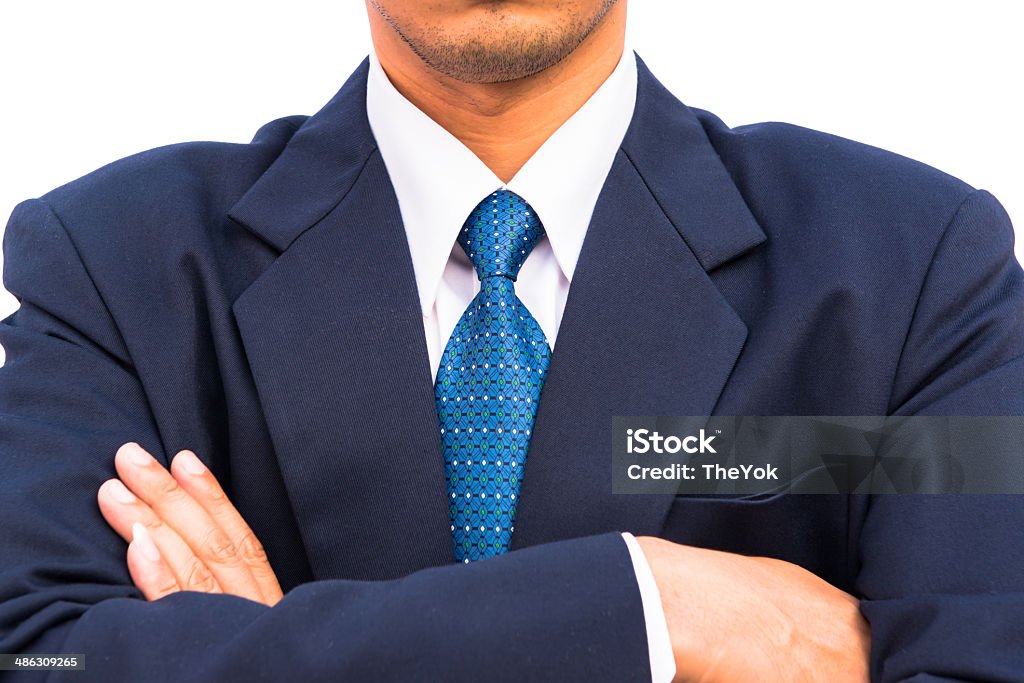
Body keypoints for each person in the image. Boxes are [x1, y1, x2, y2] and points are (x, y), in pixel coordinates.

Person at [0, 1, 1021, 681]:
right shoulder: (113, 263)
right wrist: (653, 606)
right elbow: (39, 659)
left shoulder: (913, 266)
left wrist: (259, 652)